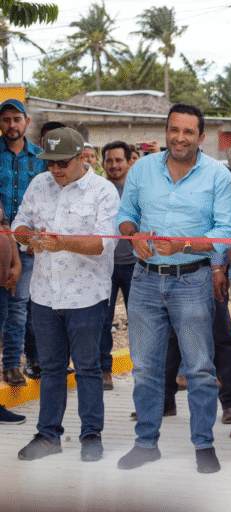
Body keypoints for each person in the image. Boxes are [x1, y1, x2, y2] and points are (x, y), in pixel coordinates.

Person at [115, 103, 231, 474]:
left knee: (199, 368)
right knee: (145, 368)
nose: (179, 138)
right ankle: (145, 444)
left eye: (188, 132)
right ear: (166, 130)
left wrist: (184, 245)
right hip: (144, 280)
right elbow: (125, 215)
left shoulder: (218, 176)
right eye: (174, 130)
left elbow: (226, 232)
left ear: (201, 136)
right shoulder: (142, 169)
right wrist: (133, 234)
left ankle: (203, 445)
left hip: (193, 280)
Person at [13, 127, 120, 462]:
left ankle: (91, 437)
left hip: (86, 297)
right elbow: (19, 225)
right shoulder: (38, 184)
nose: (55, 169)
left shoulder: (102, 191)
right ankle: (48, 436)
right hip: (44, 294)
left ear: (82, 157)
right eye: (50, 162)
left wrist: (63, 243)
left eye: (62, 162)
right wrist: (28, 237)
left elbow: (104, 243)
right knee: (51, 368)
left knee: (87, 368)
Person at [0, 99, 40, 387]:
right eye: (6, 119)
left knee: (20, 306)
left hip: (29, 245)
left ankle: (13, 365)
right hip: (1, 245)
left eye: (17, 119)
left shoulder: (41, 158)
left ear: (27, 121)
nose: (11, 125)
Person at [99, 141, 135, 391]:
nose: (114, 165)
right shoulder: (97, 191)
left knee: (142, 322)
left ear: (129, 162)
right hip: (104, 266)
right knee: (102, 321)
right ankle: (104, 370)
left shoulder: (137, 191)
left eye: (118, 160)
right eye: (109, 160)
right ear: (103, 164)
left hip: (135, 266)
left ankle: (144, 372)